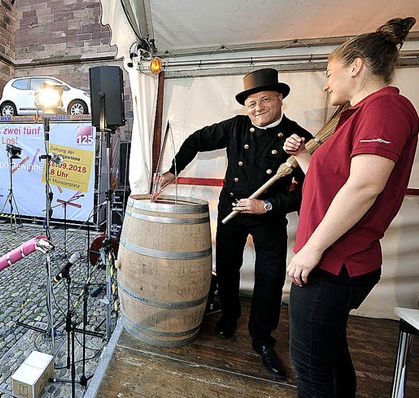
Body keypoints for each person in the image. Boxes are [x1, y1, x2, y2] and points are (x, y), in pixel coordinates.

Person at [282, 17, 418, 397]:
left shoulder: (385, 110)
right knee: (329, 354)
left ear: (356, 66)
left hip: (334, 261)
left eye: (330, 72)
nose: (326, 83)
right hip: (334, 257)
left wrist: (311, 248)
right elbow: (334, 183)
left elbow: (363, 187)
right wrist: (306, 155)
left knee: (311, 371)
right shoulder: (356, 115)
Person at [159, 68, 313, 380]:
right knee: (227, 268)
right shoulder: (236, 126)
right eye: (251, 103)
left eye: (265, 100)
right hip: (232, 210)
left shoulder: (298, 139)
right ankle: (229, 317)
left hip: (268, 217)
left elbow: (309, 192)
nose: (257, 108)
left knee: (269, 280)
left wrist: (268, 205)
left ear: (280, 99)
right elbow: (196, 139)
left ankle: (262, 340)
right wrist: (172, 170)